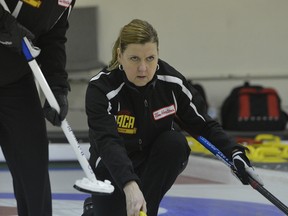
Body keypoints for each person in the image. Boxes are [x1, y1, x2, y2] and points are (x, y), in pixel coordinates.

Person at [82, 19, 262, 216]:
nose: (143, 68)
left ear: (158, 55)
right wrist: (129, 184)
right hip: (111, 168)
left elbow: (204, 125)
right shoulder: (101, 89)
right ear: (120, 55)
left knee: (174, 143)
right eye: (134, 59)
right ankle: (94, 208)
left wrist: (234, 152)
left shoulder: (172, 84)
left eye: (150, 58)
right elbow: (108, 143)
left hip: (151, 167)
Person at [0, 0, 75, 215]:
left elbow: (54, 36)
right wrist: (5, 24)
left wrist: (58, 86)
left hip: (15, 81)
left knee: (33, 169)